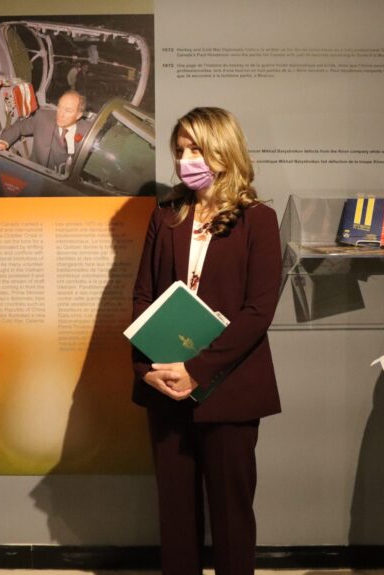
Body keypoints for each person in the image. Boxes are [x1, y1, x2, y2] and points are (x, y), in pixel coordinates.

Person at [131, 107, 282, 575]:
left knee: (232, 519)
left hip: (229, 389)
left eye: (195, 149)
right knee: (176, 518)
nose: (185, 160)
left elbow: (258, 312)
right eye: (179, 150)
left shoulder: (259, 220)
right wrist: (148, 368)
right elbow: (143, 295)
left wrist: (196, 367)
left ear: (223, 150)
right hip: (166, 386)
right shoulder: (167, 215)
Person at [0, 90, 93, 175]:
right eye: (60, 107)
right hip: (38, 175)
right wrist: (3, 141)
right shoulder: (43, 118)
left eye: (68, 111)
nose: (60, 114)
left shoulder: (89, 131)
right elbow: (19, 126)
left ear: (79, 115)